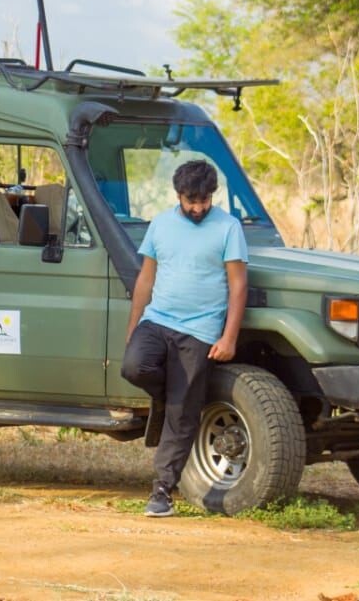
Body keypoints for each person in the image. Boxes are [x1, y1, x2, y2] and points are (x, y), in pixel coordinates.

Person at [121, 159, 248, 517]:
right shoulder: (160, 224)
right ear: (178, 195)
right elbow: (146, 278)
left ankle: (162, 490)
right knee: (134, 367)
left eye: (204, 200)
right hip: (158, 320)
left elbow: (238, 286)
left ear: (212, 196)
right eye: (191, 200)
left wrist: (229, 337)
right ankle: (181, 400)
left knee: (181, 411)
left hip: (201, 330)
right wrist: (133, 327)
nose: (198, 207)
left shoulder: (228, 227)